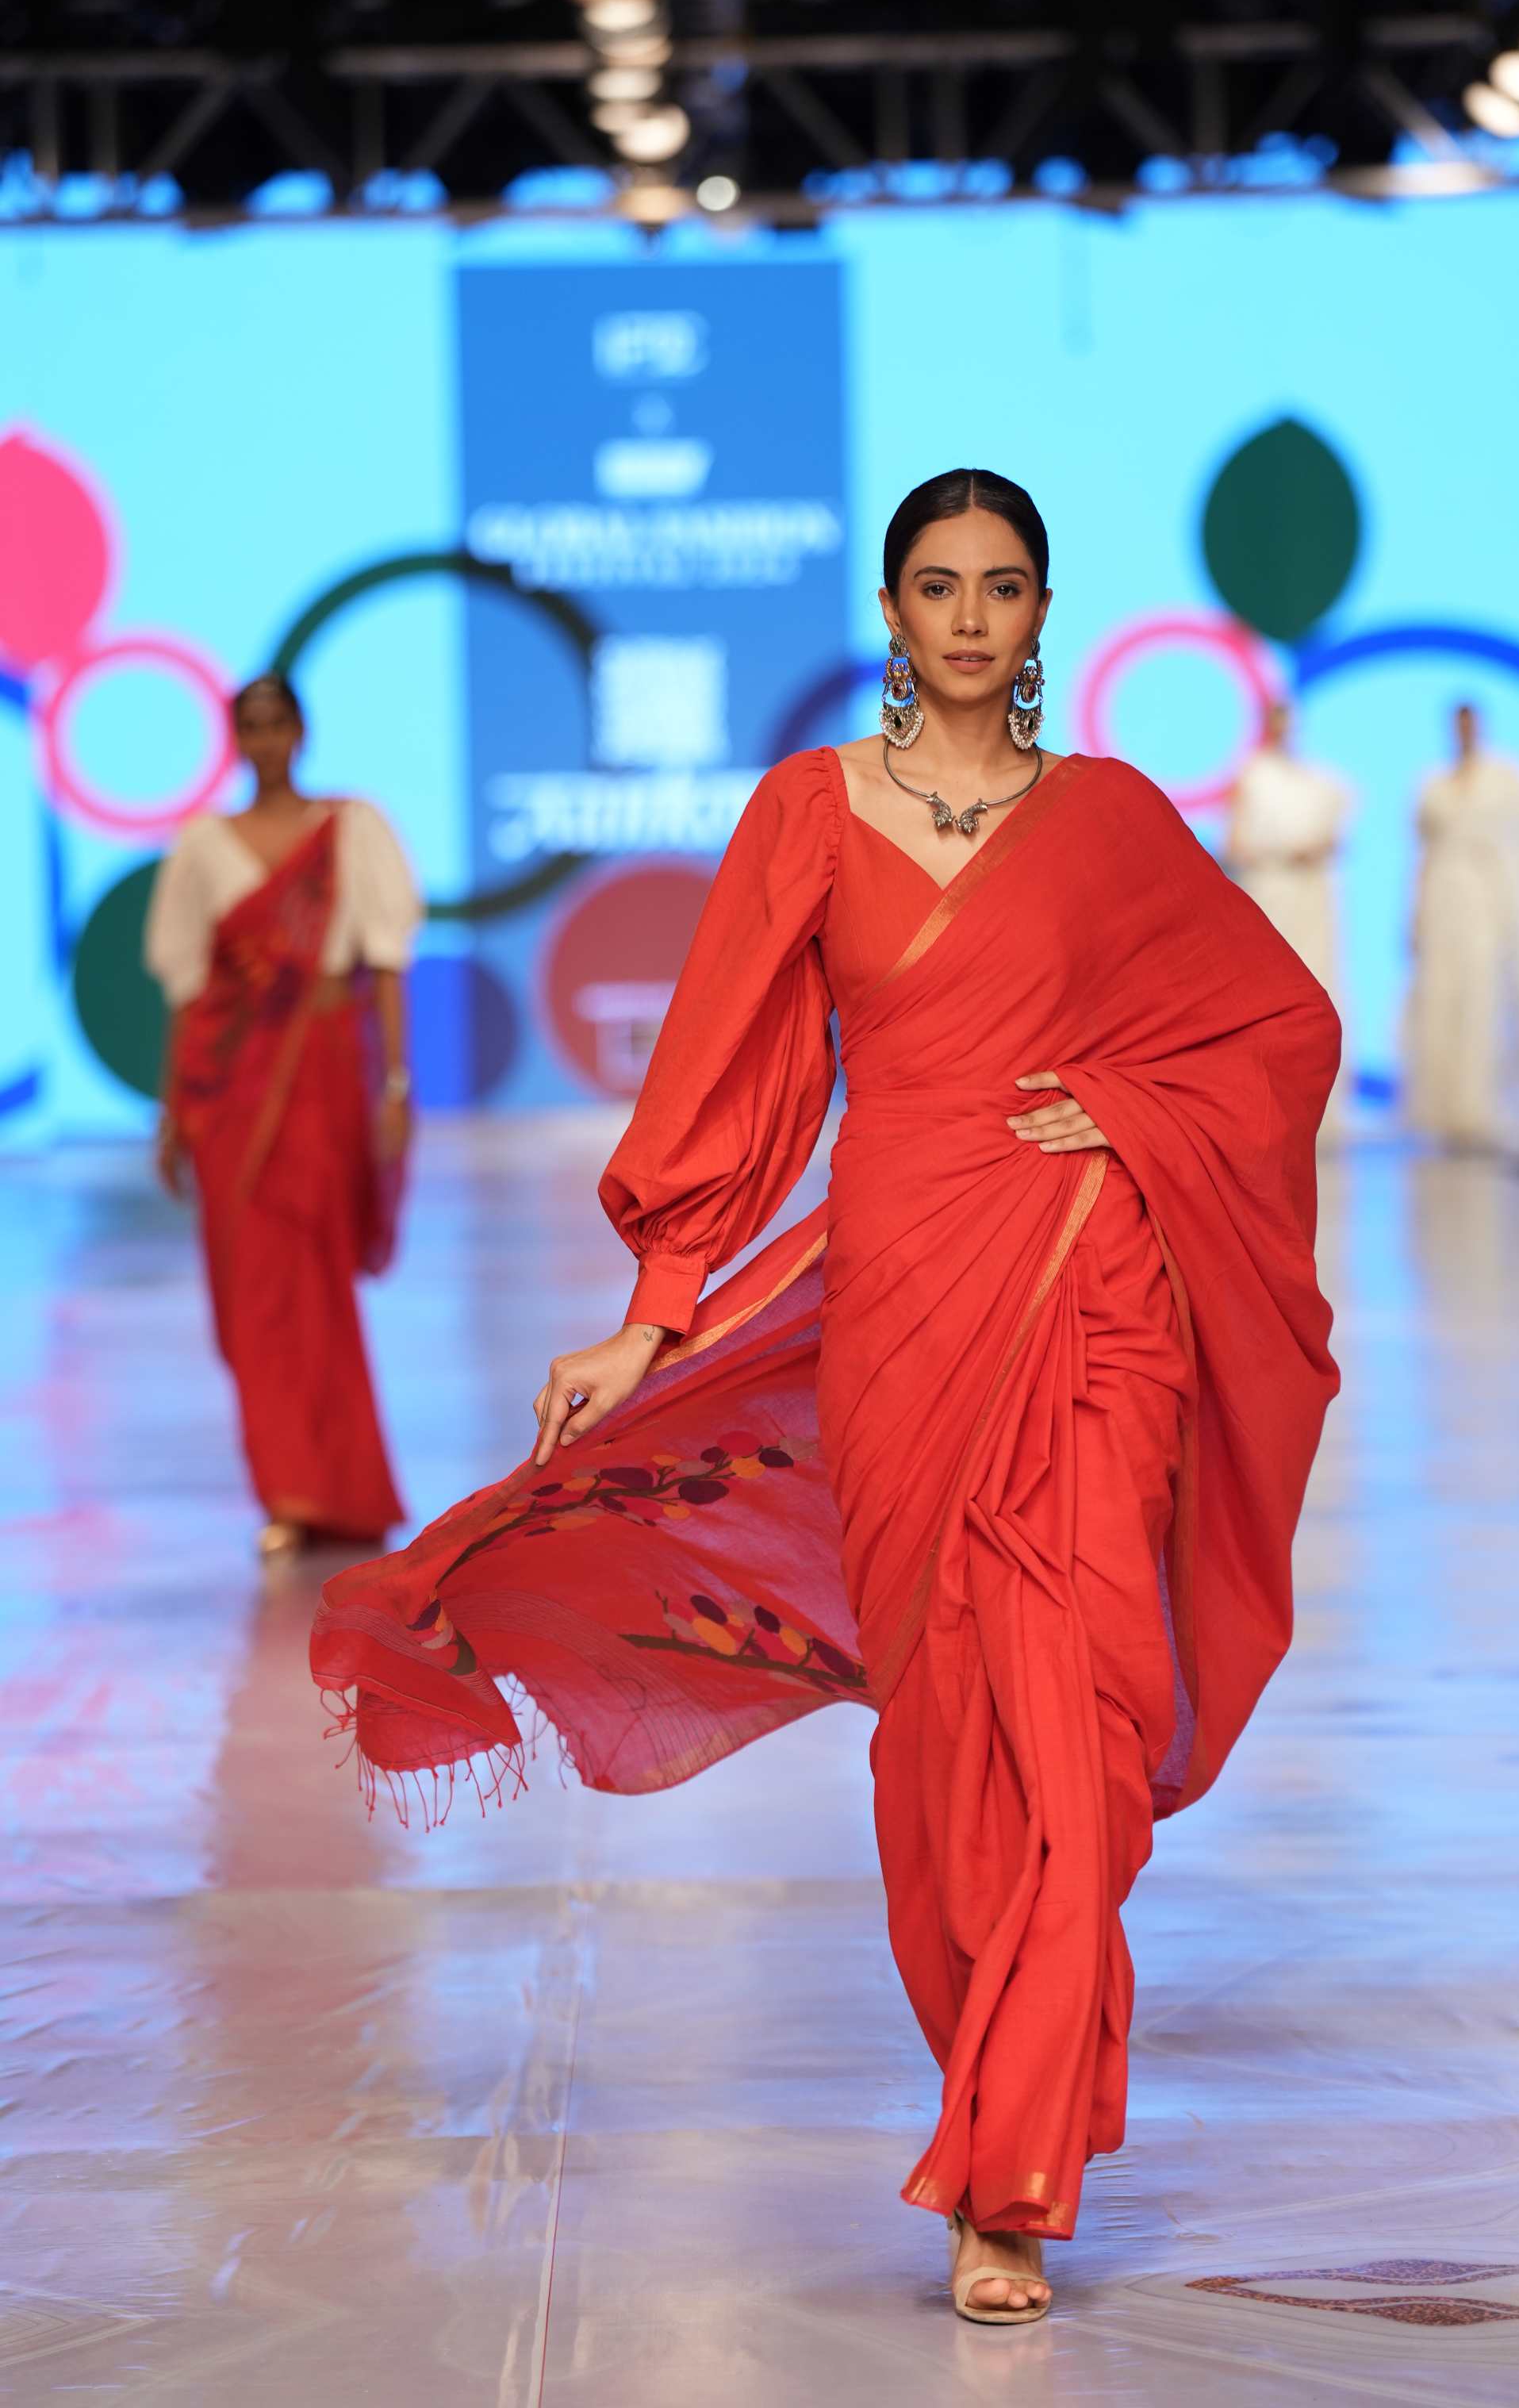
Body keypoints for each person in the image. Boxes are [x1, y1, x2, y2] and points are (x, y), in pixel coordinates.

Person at [310, 470, 1339, 2324]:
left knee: (1077, 1726)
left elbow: (1275, 1026)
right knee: (942, 1734)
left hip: (1093, 1295)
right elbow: (726, 1068)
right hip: (900, 1299)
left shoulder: (1110, 819)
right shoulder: (807, 811)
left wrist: (1127, 1114)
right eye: (937, 585)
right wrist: (655, 1311)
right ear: (889, 610)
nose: (970, 617)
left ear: (1043, 614)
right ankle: (990, 2104)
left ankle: (1008, 2174)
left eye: (1002, 586)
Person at [145, 672, 422, 1557]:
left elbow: (385, 964)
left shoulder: (351, 830)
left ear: (301, 731)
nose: (266, 741)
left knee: (319, 1278)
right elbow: (190, 989)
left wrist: (396, 1086)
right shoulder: (201, 845)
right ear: (235, 740)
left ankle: (341, 1488)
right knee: (254, 1292)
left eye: (278, 723)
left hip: (324, 1072)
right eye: (250, 726)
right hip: (230, 1092)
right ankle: (286, 1490)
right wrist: (172, 1111)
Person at [1402, 700, 1519, 1151]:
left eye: (1470, 724)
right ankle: (1440, 1110)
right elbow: (1422, 856)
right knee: (1439, 998)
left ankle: (1476, 1108)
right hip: (1442, 897)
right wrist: (1414, 912)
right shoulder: (1433, 785)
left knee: (1481, 999)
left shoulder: (1504, 780)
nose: (1464, 731)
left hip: (1483, 898)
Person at [1223, 695, 1352, 1012]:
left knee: (1315, 970)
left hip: (1309, 893)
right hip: (1270, 889)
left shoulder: (1313, 778)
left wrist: (1316, 849)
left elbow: (1337, 830)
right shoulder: (1252, 774)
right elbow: (1235, 845)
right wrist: (1276, 854)